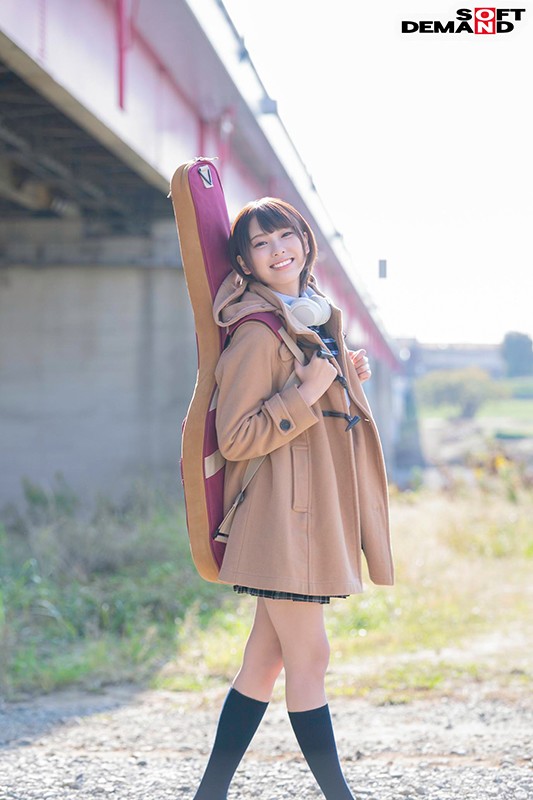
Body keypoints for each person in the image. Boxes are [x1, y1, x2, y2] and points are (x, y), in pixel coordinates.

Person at [192, 198, 393, 800]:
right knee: (311, 658)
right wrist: (307, 392)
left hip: (305, 513)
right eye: (260, 244)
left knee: (265, 660)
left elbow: (314, 409)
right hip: (284, 519)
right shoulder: (258, 333)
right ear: (245, 264)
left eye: (285, 236)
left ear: (305, 241)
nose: (277, 250)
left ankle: (209, 795)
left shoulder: (307, 320)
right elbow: (236, 437)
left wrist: (340, 377)